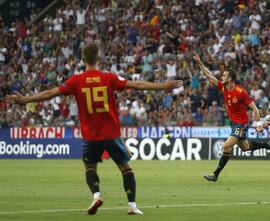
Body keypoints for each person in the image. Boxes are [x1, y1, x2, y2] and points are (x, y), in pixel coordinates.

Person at [5, 43, 182, 215]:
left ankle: (96, 195)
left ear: (83, 59)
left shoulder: (76, 80)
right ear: (99, 58)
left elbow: (49, 93)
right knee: (126, 169)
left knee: (90, 167)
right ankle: (132, 206)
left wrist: (25, 100)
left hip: (91, 136)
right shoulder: (109, 78)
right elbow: (138, 85)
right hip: (112, 135)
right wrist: (163, 86)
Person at [192, 51, 270, 182]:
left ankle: (215, 174)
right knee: (244, 147)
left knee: (226, 146)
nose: (221, 77)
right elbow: (209, 76)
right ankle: (269, 145)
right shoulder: (223, 87)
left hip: (242, 123)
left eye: (224, 75)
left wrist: (258, 125)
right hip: (233, 123)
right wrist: (199, 63)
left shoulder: (241, 92)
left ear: (230, 79)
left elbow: (254, 108)